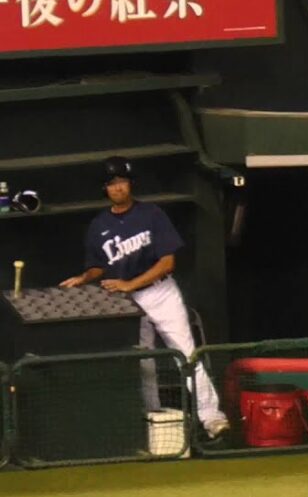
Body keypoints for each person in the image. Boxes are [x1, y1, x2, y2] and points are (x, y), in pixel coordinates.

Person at [60, 156, 230, 439]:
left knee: (186, 355)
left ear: (131, 184)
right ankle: (154, 423)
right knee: (143, 362)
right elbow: (98, 267)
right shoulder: (98, 225)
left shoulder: (151, 215)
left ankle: (213, 419)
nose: (118, 188)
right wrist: (84, 278)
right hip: (127, 301)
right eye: (112, 184)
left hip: (160, 292)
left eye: (122, 182)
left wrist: (130, 283)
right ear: (105, 189)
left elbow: (167, 262)